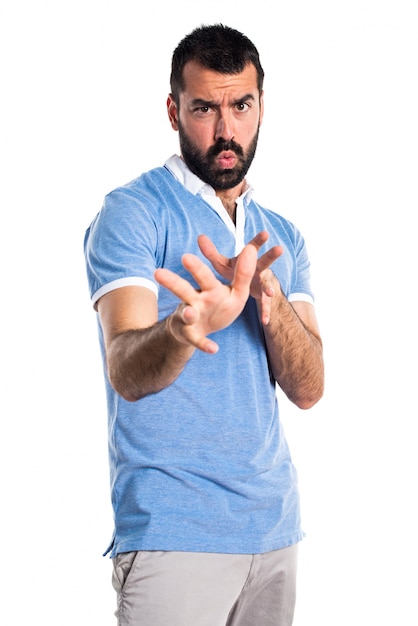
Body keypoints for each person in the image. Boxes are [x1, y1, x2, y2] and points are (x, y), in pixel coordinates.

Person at [84, 23, 324, 626]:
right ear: (173, 110)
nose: (225, 130)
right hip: (174, 531)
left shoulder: (282, 236)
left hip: (274, 532)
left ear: (261, 106)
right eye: (204, 109)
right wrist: (182, 331)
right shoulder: (134, 211)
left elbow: (310, 387)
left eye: (241, 106)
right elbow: (126, 370)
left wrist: (269, 297)